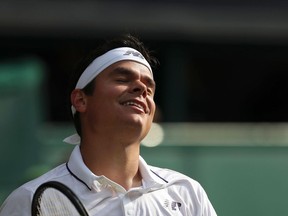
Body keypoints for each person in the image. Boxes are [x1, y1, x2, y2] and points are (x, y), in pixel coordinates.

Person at [0, 34, 217, 215]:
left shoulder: (187, 193)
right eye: (122, 79)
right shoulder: (27, 201)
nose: (141, 89)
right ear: (81, 100)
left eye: (149, 88)